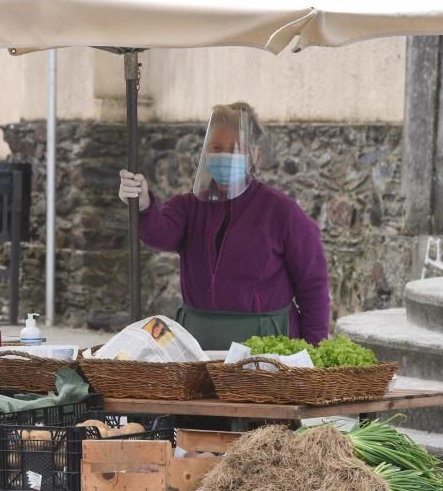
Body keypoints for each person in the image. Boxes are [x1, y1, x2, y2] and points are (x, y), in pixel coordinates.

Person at [118, 102, 330, 351]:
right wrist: (143, 203)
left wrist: (313, 351)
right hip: (200, 343)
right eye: (216, 147)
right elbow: (158, 233)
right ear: (206, 153)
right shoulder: (189, 206)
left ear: (254, 155)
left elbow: (312, 285)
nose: (224, 156)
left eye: (234, 149)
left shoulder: (281, 211)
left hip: (266, 346)